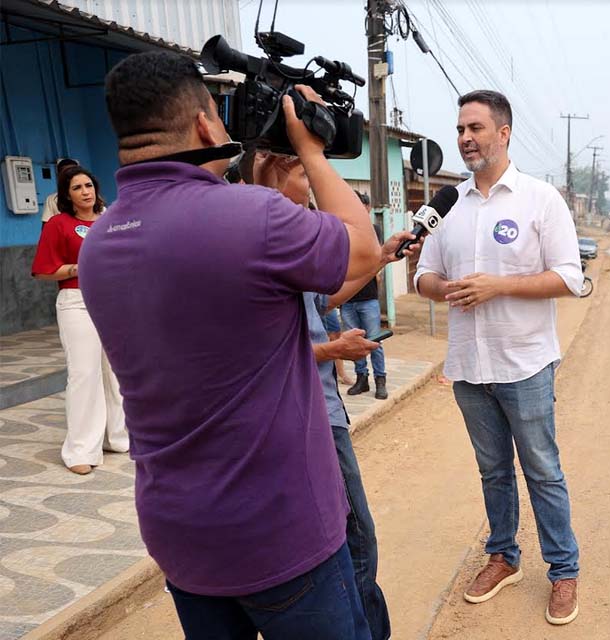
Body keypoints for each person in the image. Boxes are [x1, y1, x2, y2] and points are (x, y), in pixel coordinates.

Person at [79, 51, 382, 639]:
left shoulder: (100, 245)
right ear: (201, 125)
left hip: (181, 538)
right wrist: (312, 151)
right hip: (280, 532)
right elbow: (363, 250)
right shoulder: (252, 219)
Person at [415, 90, 583, 625]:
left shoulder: (539, 199)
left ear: (503, 133)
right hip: (468, 366)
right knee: (493, 472)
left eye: (475, 128)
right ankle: (503, 557)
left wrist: (499, 287)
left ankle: (563, 570)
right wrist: (445, 290)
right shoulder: (449, 205)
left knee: (542, 470)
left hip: (525, 364)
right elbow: (422, 276)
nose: (464, 138)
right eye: (460, 129)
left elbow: (569, 278)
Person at [253, 153, 419, 640]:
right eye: (306, 171)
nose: (313, 183)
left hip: (323, 406)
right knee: (356, 535)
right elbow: (259, 355)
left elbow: (321, 299)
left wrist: (382, 257)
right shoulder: (264, 243)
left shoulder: (287, 243)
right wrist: (333, 348)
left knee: (346, 533)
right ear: (276, 179)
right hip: (312, 415)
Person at [31, 165, 128, 475]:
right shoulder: (59, 224)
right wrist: (80, 267)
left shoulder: (110, 220)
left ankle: (117, 437)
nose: (85, 191)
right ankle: (80, 451)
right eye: (77, 188)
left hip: (113, 301)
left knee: (115, 373)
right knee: (84, 374)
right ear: (67, 196)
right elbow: (45, 270)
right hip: (76, 303)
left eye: (89, 185)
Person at [343, 191, 388, 400]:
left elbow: (371, 257)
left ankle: (381, 380)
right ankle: (362, 379)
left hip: (368, 296)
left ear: (368, 208)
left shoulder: (374, 230)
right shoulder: (342, 230)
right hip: (346, 298)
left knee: (374, 340)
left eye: (361, 206)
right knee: (354, 342)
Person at [41, 158, 79, 224]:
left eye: (73, 171)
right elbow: (46, 227)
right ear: (59, 175)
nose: (70, 174)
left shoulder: (89, 195)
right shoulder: (52, 199)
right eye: (65, 172)